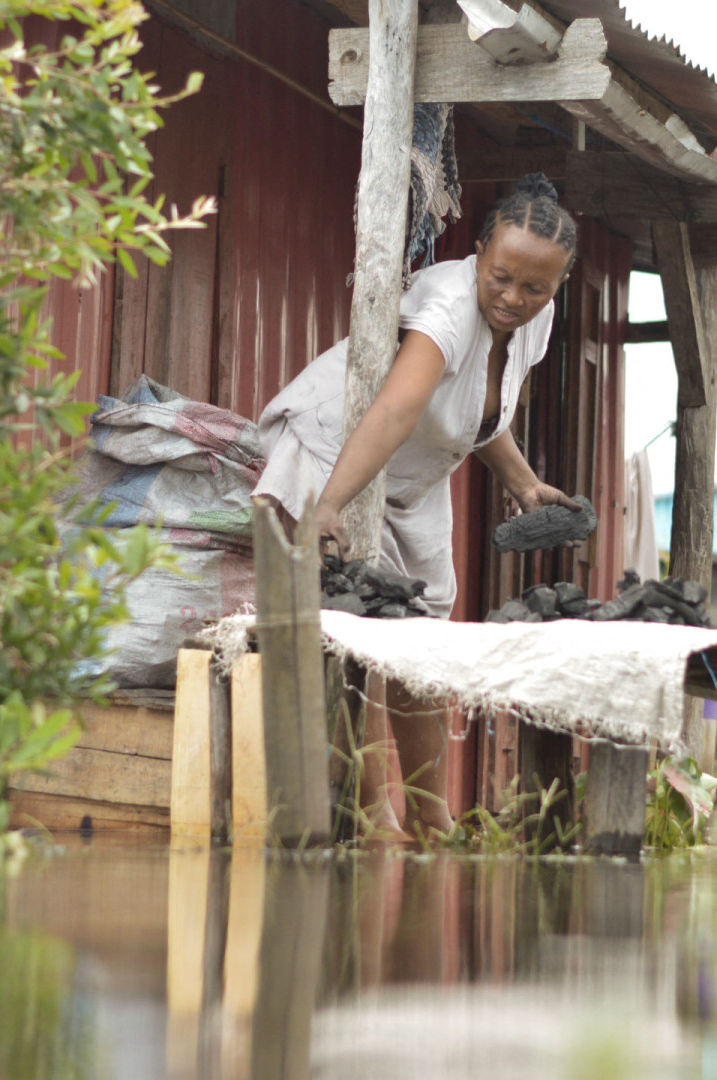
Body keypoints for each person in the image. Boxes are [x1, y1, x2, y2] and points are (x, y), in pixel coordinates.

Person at [254, 173, 584, 839]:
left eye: (534, 287)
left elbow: (469, 414)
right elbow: (399, 408)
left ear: (558, 284)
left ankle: (432, 818)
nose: (513, 297)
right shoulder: (447, 310)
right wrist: (329, 507)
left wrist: (522, 482)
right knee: (351, 631)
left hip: (413, 484)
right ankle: (367, 819)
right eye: (501, 277)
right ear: (481, 249)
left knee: (421, 649)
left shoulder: (534, 318)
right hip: (337, 454)